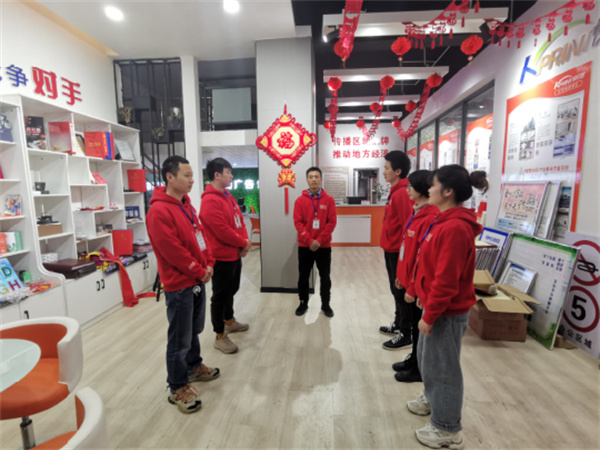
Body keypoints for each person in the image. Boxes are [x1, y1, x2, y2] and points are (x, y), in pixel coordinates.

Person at [406, 164, 487, 449]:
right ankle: (434, 400)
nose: (428, 189)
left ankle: (447, 428)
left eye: (434, 185)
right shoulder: (442, 221)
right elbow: (430, 267)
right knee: (429, 361)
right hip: (435, 306)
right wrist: (421, 293)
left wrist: (430, 315)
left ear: (448, 191)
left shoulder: (454, 228)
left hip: (446, 313)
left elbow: (447, 280)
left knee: (443, 367)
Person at [146, 155, 220, 415]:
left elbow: (202, 238)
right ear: (170, 177)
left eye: (192, 176)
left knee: (193, 331)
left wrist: (209, 263)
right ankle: (177, 386)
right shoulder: (159, 211)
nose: (191, 180)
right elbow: (173, 252)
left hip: (197, 278)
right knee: (179, 339)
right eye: (186, 175)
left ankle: (194, 366)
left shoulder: (187, 206)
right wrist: (199, 271)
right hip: (179, 285)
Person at [199, 157, 251, 355]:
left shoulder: (228, 196)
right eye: (228, 172)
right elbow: (221, 230)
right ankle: (220, 335)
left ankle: (229, 321)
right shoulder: (209, 201)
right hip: (221, 256)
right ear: (217, 175)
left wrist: (244, 243)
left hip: (234, 253)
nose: (231, 176)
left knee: (232, 289)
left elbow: (239, 222)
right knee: (220, 296)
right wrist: (243, 243)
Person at [393, 170, 438, 383]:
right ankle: (414, 359)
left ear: (421, 189)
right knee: (413, 324)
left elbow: (421, 257)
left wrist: (412, 287)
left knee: (418, 328)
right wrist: (400, 276)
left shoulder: (430, 217)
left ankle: (419, 368)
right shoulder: (417, 212)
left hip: (417, 285)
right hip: (408, 279)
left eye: (410, 186)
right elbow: (407, 249)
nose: (407, 189)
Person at [379, 150, 414, 350]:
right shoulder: (396, 191)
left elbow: (407, 227)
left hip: (397, 251)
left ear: (398, 171)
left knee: (400, 290)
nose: (384, 172)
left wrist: (403, 255)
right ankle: (399, 324)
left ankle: (406, 333)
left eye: (386, 168)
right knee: (395, 289)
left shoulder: (402, 193)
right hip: (390, 248)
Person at [293, 166, 337, 317]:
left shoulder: (329, 200)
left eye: (316, 177)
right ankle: (303, 302)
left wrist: (318, 240)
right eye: (310, 177)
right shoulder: (300, 201)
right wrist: (310, 240)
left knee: (325, 277)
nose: (313, 180)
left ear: (321, 179)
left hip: (323, 246)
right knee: (303, 277)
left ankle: (326, 304)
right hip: (305, 246)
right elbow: (298, 223)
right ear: (307, 180)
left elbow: (332, 222)